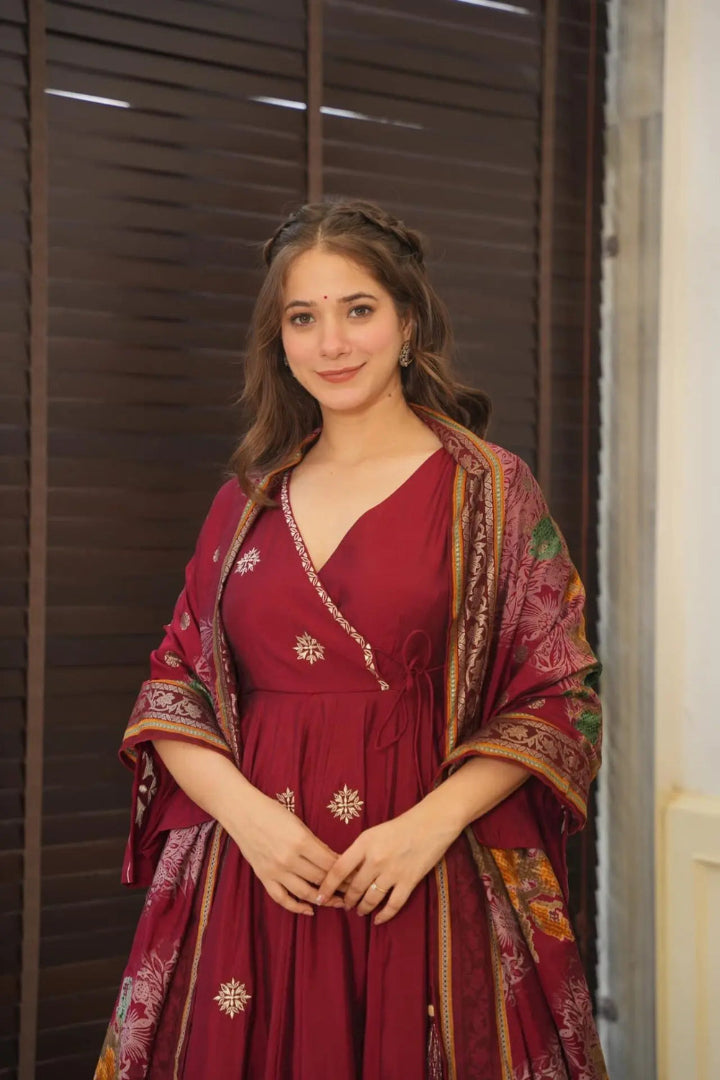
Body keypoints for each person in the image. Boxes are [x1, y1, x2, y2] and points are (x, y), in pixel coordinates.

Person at [94, 199, 608, 1080]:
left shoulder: (488, 489)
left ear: (408, 322)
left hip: (424, 869)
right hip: (254, 878)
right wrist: (249, 822)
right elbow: (173, 684)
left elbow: (560, 693)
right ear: (280, 340)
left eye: (357, 309)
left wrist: (427, 829)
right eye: (304, 317)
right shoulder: (247, 501)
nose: (331, 343)